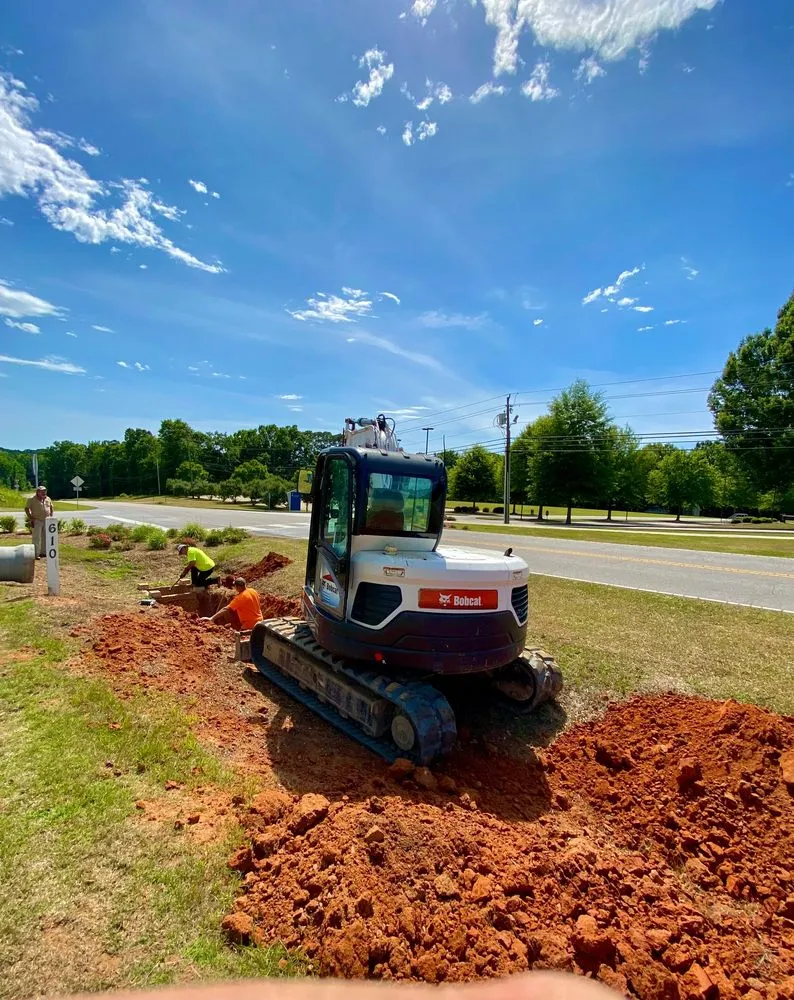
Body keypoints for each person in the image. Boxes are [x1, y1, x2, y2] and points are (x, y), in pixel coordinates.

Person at [24, 485, 54, 559]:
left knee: (45, 537)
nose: (44, 492)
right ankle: (35, 554)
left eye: (45, 491)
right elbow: (26, 509)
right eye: (42, 491)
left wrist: (51, 516)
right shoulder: (31, 499)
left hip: (47, 520)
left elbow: (51, 507)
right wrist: (31, 518)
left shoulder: (48, 498)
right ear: (37, 492)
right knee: (36, 538)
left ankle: (43, 553)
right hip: (37, 520)